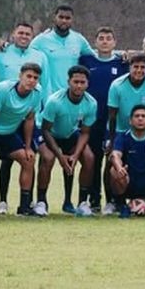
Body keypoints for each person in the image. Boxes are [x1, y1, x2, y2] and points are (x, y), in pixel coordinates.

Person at [0, 22, 47, 213]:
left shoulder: (39, 56)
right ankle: (2, 202)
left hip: (25, 114)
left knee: (28, 156)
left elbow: (42, 83)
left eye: (28, 33)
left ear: (32, 36)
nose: (24, 36)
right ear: (13, 34)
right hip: (2, 117)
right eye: (20, 32)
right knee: (6, 161)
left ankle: (27, 202)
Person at [0, 62, 43, 217]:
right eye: (28, 76)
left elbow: (30, 119)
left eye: (35, 78)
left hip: (8, 132)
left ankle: (24, 207)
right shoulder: (4, 88)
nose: (31, 80)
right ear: (20, 76)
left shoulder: (37, 92)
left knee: (28, 160)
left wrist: (28, 146)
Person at [78, 27, 127, 214]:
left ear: (114, 42)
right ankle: (93, 199)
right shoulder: (86, 61)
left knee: (110, 159)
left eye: (109, 38)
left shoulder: (121, 63)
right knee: (92, 161)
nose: (105, 41)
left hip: (112, 120)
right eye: (101, 38)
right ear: (95, 42)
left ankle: (111, 200)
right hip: (91, 120)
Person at [39, 66, 98, 217]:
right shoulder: (55, 101)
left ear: (87, 84)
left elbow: (85, 132)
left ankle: (82, 203)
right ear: (69, 82)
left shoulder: (91, 103)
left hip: (71, 135)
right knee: (48, 158)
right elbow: (45, 130)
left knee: (89, 158)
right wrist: (60, 156)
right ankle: (41, 202)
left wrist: (75, 155)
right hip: (50, 135)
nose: (79, 85)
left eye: (82, 82)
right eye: (75, 81)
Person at [30, 3, 94, 96]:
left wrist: (119, 54)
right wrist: (5, 46)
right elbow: (24, 52)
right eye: (61, 17)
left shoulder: (79, 39)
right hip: (49, 96)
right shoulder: (41, 40)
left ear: (72, 20)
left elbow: (97, 56)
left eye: (68, 18)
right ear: (55, 18)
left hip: (72, 96)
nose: (64, 20)